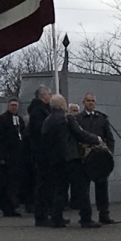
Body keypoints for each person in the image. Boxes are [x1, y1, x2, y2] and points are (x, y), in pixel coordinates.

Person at [41, 94, 102, 228]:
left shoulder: (48, 120)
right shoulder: (67, 117)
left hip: (55, 160)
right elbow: (79, 133)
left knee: (60, 189)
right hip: (71, 158)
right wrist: (96, 139)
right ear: (62, 105)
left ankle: (57, 218)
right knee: (81, 188)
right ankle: (86, 218)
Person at [76, 92, 116, 225]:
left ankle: (104, 214)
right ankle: (86, 217)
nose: (91, 103)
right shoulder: (78, 118)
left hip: (100, 159)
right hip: (85, 159)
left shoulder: (102, 119)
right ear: (83, 102)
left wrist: (109, 153)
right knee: (84, 189)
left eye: (93, 101)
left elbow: (109, 138)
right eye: (88, 100)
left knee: (102, 187)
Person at [0, 98, 25, 217]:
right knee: (4, 183)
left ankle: (13, 206)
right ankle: (6, 207)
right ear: (8, 106)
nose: (14, 108)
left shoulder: (20, 120)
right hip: (5, 158)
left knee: (14, 184)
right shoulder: (1, 120)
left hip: (16, 157)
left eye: (16, 106)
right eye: (12, 105)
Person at [27, 86, 53, 227]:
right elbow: (40, 131)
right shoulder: (38, 111)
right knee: (43, 185)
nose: (51, 96)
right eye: (49, 94)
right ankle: (41, 215)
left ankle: (48, 213)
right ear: (43, 96)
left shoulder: (43, 110)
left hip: (43, 153)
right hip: (42, 153)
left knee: (47, 185)